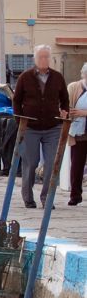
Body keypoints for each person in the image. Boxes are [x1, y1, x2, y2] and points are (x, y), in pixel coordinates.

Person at [13, 45, 71, 210]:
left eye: (47, 57)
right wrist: (20, 122)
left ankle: (47, 198)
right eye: (41, 57)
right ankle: (28, 197)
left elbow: (64, 99)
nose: (44, 60)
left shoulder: (58, 77)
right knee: (31, 163)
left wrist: (64, 112)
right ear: (35, 59)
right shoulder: (25, 77)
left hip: (53, 127)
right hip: (30, 126)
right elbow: (16, 100)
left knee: (52, 163)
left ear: (50, 59)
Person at [69, 62, 87, 206]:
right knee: (76, 166)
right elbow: (66, 108)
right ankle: (75, 195)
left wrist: (84, 113)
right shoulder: (74, 87)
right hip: (78, 133)